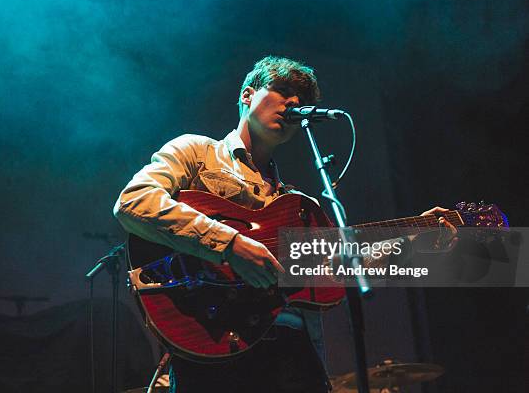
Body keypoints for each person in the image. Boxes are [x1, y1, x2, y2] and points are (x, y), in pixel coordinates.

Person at [113, 56, 456, 393]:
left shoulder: (297, 205)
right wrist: (230, 245)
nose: (294, 102)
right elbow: (133, 202)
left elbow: (338, 267)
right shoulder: (196, 152)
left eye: (303, 100)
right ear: (247, 94)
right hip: (211, 339)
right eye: (282, 90)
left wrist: (413, 238)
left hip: (291, 351)